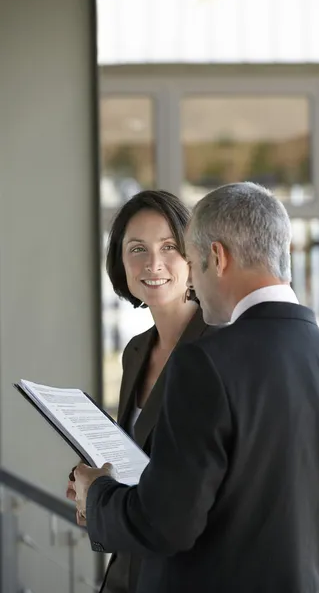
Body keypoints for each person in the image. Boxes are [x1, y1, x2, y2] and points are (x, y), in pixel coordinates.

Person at [72, 182, 319, 593]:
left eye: (193, 262)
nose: (194, 284)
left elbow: (166, 526)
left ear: (216, 258)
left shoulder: (205, 364)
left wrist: (97, 495)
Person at [66, 190, 216, 593]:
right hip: (129, 569)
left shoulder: (219, 349)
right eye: (137, 249)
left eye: (169, 247)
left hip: (189, 575)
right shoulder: (136, 350)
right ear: (120, 262)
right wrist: (94, 486)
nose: (153, 263)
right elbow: (139, 460)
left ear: (192, 256)